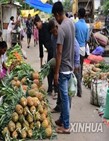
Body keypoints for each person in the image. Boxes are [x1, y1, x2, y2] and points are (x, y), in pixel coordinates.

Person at [52, 1, 75, 133]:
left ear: (57, 14)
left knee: (64, 98)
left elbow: (59, 52)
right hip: (70, 66)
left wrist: (56, 73)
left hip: (64, 68)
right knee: (67, 97)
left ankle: (66, 126)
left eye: (55, 17)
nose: (56, 20)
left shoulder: (61, 29)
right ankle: (62, 119)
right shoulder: (71, 23)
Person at [34, 15, 53, 95]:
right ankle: (50, 88)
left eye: (36, 24)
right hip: (49, 51)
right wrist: (41, 64)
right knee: (48, 70)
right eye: (35, 25)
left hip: (54, 49)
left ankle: (55, 89)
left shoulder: (47, 25)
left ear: (39, 21)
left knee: (54, 70)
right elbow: (40, 48)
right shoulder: (40, 32)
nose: (36, 26)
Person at [75, 8, 89, 97]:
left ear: (79, 15)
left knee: (76, 69)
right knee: (81, 67)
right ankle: (79, 88)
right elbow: (87, 40)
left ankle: (78, 89)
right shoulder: (86, 27)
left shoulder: (76, 25)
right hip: (83, 48)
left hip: (76, 49)